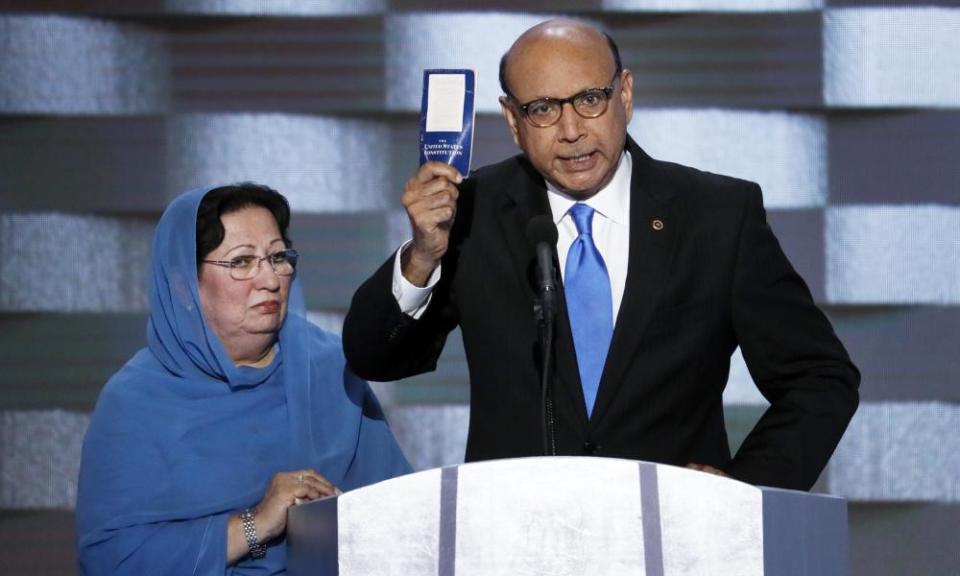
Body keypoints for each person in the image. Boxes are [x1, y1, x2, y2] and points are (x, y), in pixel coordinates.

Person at [342, 19, 859, 491]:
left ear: (625, 94)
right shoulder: (472, 214)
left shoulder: (717, 216)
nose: (571, 130)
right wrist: (422, 257)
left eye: (590, 99)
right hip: (515, 540)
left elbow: (820, 379)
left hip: (675, 540)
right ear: (512, 119)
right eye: (543, 109)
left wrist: (742, 493)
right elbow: (373, 356)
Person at [76, 183, 410, 574]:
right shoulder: (135, 401)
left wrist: (345, 519)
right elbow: (110, 558)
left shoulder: (329, 368)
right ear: (183, 286)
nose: (269, 279)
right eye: (242, 262)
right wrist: (255, 524)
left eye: (278, 257)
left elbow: (402, 517)